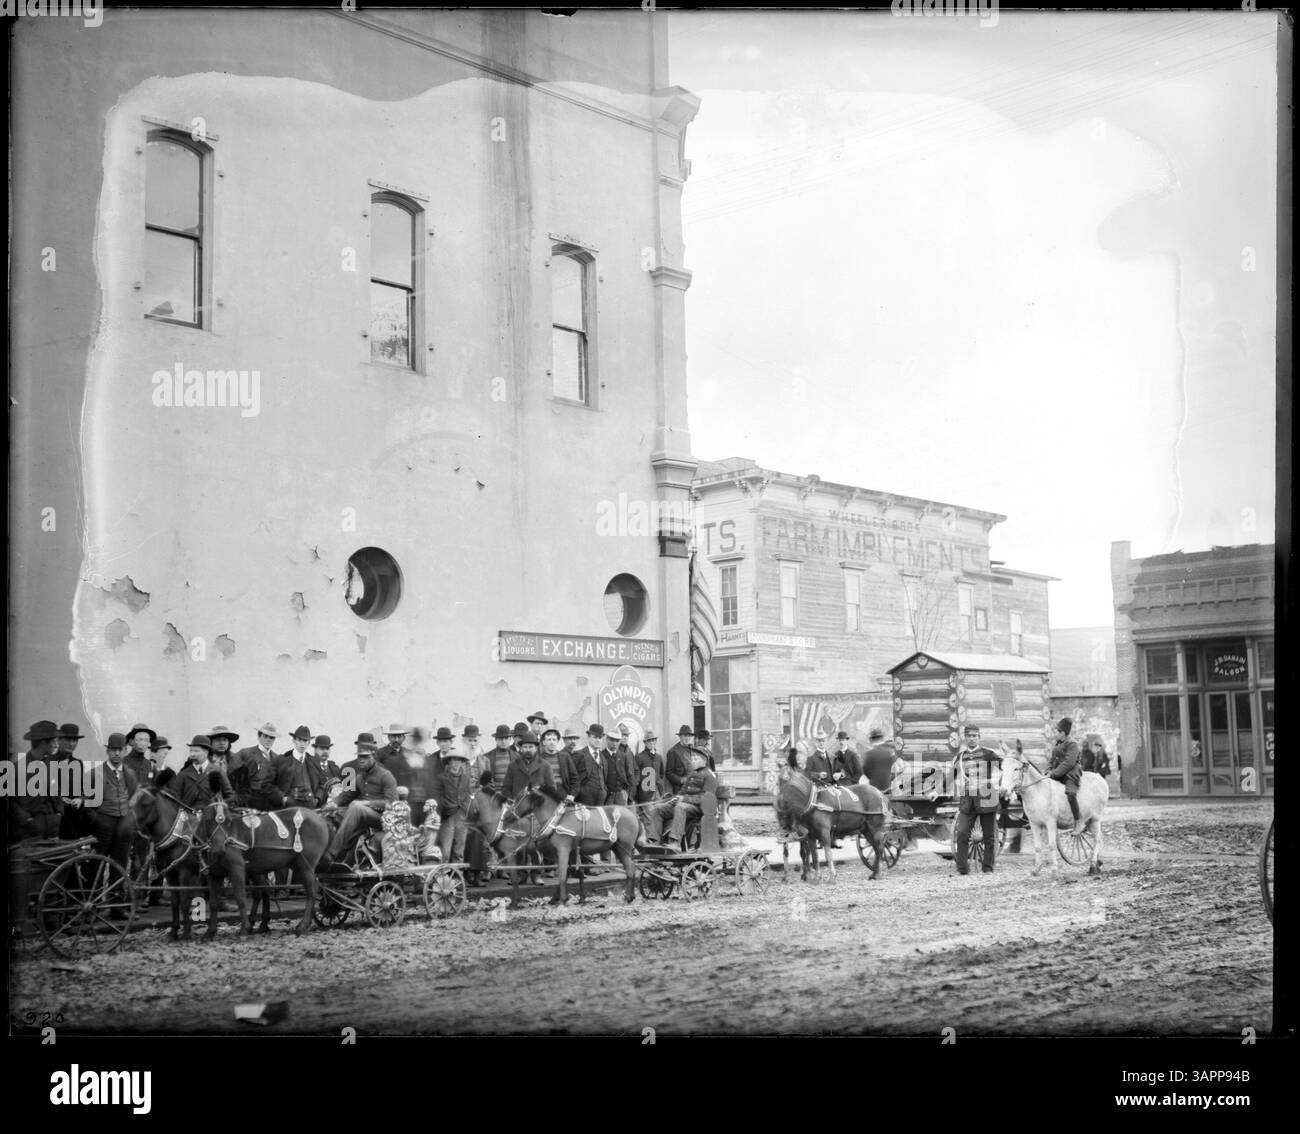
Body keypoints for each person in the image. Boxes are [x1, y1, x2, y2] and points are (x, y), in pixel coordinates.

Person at [83, 733, 138, 912]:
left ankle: (117, 906)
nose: (116, 753)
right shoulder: (95, 773)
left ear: (125, 750)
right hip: (103, 824)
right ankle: (94, 905)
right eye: (113, 749)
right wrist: (97, 820)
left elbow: (132, 799)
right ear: (107, 751)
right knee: (96, 865)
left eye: (119, 750)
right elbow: (86, 803)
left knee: (120, 865)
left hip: (123, 826)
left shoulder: (129, 774)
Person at [323, 733, 398, 864]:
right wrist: (333, 804)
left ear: (373, 756)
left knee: (357, 807)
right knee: (334, 814)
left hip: (383, 819)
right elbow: (346, 795)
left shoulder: (386, 775)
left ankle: (331, 854)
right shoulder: (359, 777)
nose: (361, 760)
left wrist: (367, 803)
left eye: (365, 757)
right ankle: (341, 860)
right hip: (362, 816)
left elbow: (392, 803)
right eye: (359, 757)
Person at [952, 724, 1003, 875]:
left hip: (987, 798)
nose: (972, 739)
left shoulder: (989, 754)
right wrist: (936, 790)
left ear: (979, 737)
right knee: (961, 834)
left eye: (974, 736)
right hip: (968, 801)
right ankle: (962, 869)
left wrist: (1000, 784)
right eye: (969, 736)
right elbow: (951, 776)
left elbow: (1006, 766)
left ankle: (987, 868)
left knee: (989, 836)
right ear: (965, 738)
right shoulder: (960, 757)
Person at [9, 721, 66, 840]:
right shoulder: (17, 768)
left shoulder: (51, 765)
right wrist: (26, 819)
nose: (57, 745)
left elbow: (57, 792)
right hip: (29, 831)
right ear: (43, 743)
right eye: (54, 741)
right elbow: (10, 801)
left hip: (53, 828)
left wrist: (59, 813)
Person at [432, 748, 475, 878]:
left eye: (459, 760)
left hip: (462, 816)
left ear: (462, 762)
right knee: (445, 848)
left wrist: (466, 806)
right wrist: (447, 806)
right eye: (453, 760)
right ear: (448, 762)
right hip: (447, 815)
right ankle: (443, 877)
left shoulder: (467, 777)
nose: (456, 763)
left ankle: (458, 876)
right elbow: (437, 796)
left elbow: (470, 794)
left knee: (459, 847)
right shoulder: (441, 778)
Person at [666, 750, 718, 846]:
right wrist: (677, 797)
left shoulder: (710, 775)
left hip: (700, 809)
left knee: (680, 807)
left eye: (695, 759)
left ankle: (674, 842)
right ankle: (654, 841)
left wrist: (684, 799)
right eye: (692, 758)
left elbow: (705, 798)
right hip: (687, 805)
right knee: (658, 809)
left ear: (704, 761)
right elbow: (683, 791)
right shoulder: (693, 774)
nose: (692, 761)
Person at [174, 735, 234, 808]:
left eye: (196, 751)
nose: (192, 754)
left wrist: (221, 807)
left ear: (206, 753)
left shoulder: (218, 771)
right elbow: (175, 798)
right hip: (189, 815)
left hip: (212, 815)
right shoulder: (183, 774)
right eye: (191, 751)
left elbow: (230, 796)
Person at [231, 723, 280, 810]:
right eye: (265, 736)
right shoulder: (245, 753)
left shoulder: (277, 758)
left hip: (270, 803)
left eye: (271, 737)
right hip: (250, 801)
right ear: (259, 736)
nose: (268, 740)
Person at [1048, 717, 1084, 835]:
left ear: (1062, 733)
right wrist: (1048, 771)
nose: (1055, 734)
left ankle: (1078, 821)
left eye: (1057, 732)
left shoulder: (1072, 744)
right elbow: (1052, 761)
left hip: (1070, 773)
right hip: (1058, 773)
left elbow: (1069, 763)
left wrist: (1054, 773)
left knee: (1071, 794)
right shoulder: (1058, 744)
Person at [273, 725, 323, 808]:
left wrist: (317, 799)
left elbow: (322, 784)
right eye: (299, 740)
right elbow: (270, 784)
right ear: (294, 740)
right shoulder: (281, 760)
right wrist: (283, 799)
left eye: (305, 741)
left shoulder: (314, 762)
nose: (302, 744)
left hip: (310, 805)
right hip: (289, 805)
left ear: (309, 742)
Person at [502, 731, 555, 797]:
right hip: (519, 805)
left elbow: (552, 789)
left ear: (536, 748)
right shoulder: (513, 766)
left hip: (539, 805)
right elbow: (505, 789)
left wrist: (540, 791)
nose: (528, 750)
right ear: (521, 749)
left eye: (530, 747)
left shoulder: (545, 765)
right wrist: (514, 801)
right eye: (525, 747)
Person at [123, 723, 158, 788]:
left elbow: (155, 792)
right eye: (140, 739)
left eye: (146, 740)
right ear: (131, 741)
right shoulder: (122, 763)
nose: (143, 743)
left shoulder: (151, 766)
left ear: (148, 743)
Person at [665, 725, 695, 793]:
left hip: (693, 787)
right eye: (685, 736)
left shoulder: (693, 750)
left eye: (689, 736)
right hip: (680, 789)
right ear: (680, 736)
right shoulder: (673, 751)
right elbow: (669, 773)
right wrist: (681, 780)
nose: (687, 738)